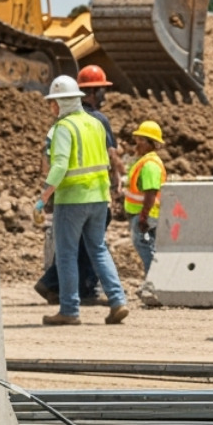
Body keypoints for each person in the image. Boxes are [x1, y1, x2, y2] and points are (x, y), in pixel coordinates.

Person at [38, 74, 129, 325]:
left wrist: (44, 195)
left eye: (54, 102)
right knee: (98, 249)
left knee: (66, 254)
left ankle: (69, 310)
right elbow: (107, 158)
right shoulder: (95, 124)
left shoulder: (63, 128)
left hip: (72, 200)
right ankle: (118, 300)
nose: (51, 107)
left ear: (63, 102)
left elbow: (59, 166)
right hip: (99, 198)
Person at [123, 120, 166, 276]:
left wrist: (143, 216)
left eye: (141, 140)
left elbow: (151, 192)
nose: (137, 144)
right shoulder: (144, 161)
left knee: (146, 247)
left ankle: (154, 280)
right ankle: (155, 281)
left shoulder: (150, 164)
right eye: (137, 139)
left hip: (145, 214)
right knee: (148, 246)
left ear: (151, 143)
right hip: (143, 214)